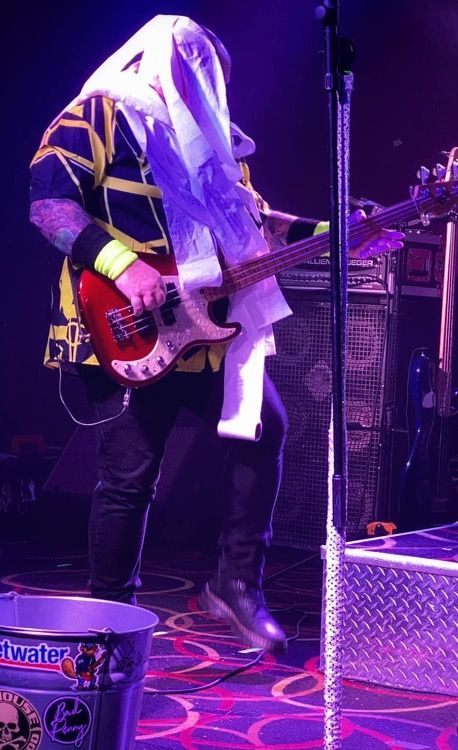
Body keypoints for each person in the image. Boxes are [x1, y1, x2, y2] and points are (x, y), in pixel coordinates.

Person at [29, 15, 403, 653]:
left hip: (206, 335)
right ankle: (109, 619)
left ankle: (234, 585)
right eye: (197, 73)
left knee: (265, 428)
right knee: (129, 478)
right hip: (123, 327)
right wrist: (124, 266)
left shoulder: (215, 145)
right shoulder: (99, 114)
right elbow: (48, 205)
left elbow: (257, 225)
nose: (207, 89)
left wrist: (340, 234)